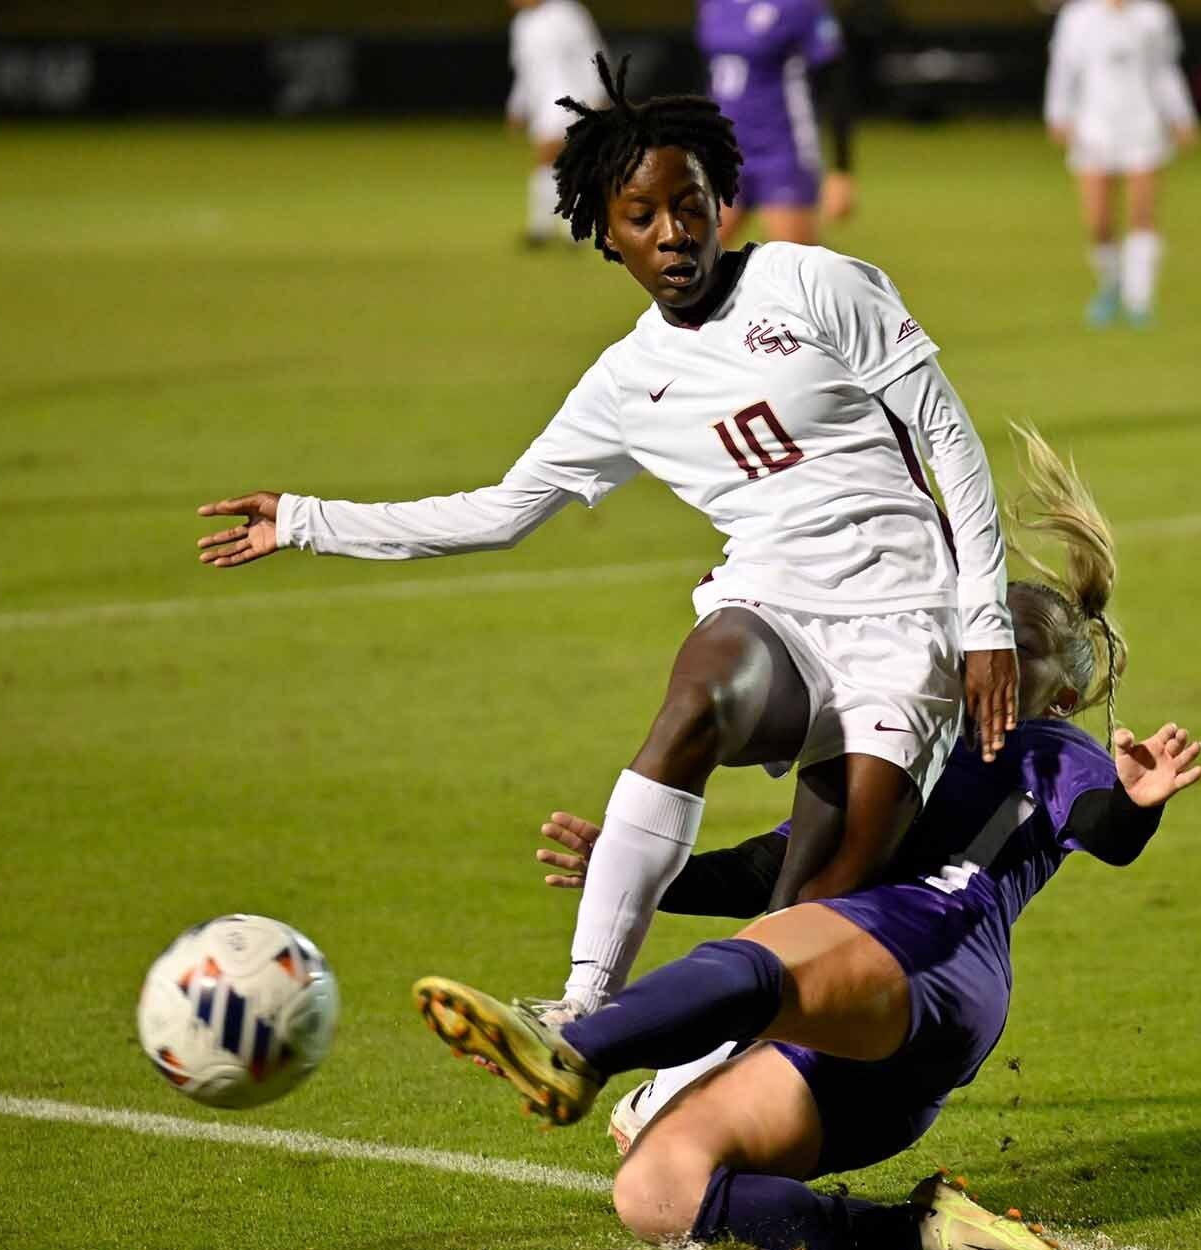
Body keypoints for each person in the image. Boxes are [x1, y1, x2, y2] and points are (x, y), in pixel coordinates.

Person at [196, 56, 1017, 1027]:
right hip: (776, 611)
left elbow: (947, 435)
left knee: (801, 919)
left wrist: (984, 624)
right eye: (641, 216)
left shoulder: (813, 282)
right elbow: (499, 512)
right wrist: (303, 518)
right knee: (702, 687)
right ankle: (581, 1003)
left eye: (690, 203)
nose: (672, 231)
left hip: (902, 630)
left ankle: (673, 1076)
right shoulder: (624, 382)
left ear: (723, 200)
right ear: (604, 233)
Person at [413, 430, 1201, 1250]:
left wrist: (1135, 801)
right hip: (860, 1041)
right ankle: (921, 1229)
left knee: (763, 951)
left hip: (933, 954)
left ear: (1067, 692)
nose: (989, 657)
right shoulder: (917, 734)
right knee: (656, 1190)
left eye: (1017, 649)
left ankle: (579, 1047)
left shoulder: (1051, 749)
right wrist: (642, 868)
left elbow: (1102, 831)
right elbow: (773, 864)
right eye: (982, 634)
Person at [1043, 0, 1198, 329]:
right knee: (1099, 221)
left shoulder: (1153, 15)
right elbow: (1064, 68)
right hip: (1094, 127)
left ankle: (1139, 299)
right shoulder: (1078, 16)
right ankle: (1111, 283)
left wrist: (1181, 115)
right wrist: (1058, 112)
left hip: (1143, 124)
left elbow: (1164, 69)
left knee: (1142, 212)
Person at [698, 0, 855, 245]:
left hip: (781, 150)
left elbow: (835, 85)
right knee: (691, 266)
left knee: (793, 270)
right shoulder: (714, 4)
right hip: (723, 149)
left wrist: (842, 169)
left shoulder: (800, 6)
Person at [505, 0, 606, 247]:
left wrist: (597, 93)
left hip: (572, 98)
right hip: (542, 105)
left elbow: (590, 52)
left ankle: (549, 228)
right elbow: (524, 71)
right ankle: (556, 227)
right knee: (558, 163)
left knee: (549, 155)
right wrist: (517, 106)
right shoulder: (522, 24)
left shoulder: (566, 13)